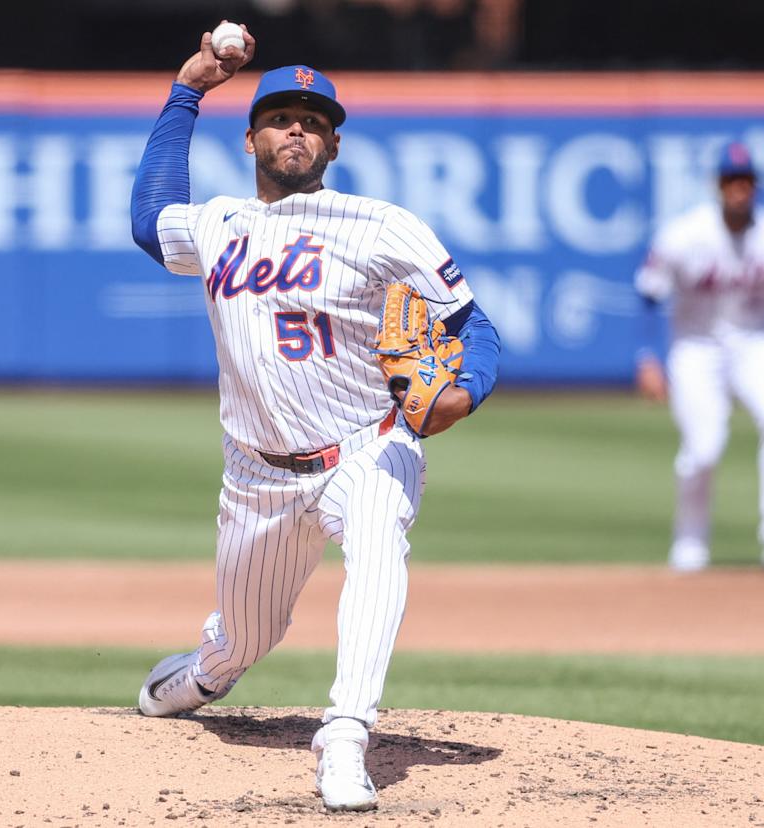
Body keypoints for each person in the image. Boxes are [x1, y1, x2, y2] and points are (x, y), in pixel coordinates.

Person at [128, 24, 501, 812]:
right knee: (242, 642)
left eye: (315, 120)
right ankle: (206, 673)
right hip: (257, 477)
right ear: (252, 137)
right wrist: (188, 87)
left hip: (367, 448)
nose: (298, 127)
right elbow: (148, 218)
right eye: (281, 116)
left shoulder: (381, 225)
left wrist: (467, 389)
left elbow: (474, 326)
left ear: (332, 146)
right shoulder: (219, 223)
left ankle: (344, 735)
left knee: (378, 542)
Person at [634, 141, 764, 573]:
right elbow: (649, 293)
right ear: (717, 184)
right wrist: (647, 358)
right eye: (732, 179)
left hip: (755, 343)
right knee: (703, 448)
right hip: (695, 347)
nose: (740, 187)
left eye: (747, 179)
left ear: (756, 184)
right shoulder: (684, 235)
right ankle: (691, 543)